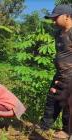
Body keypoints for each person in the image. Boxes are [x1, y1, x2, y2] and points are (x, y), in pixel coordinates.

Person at [39, 4, 72, 139]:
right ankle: (44, 127)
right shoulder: (58, 33)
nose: (53, 21)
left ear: (67, 17)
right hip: (60, 73)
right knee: (52, 100)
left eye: (56, 18)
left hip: (71, 76)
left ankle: (66, 131)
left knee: (67, 104)